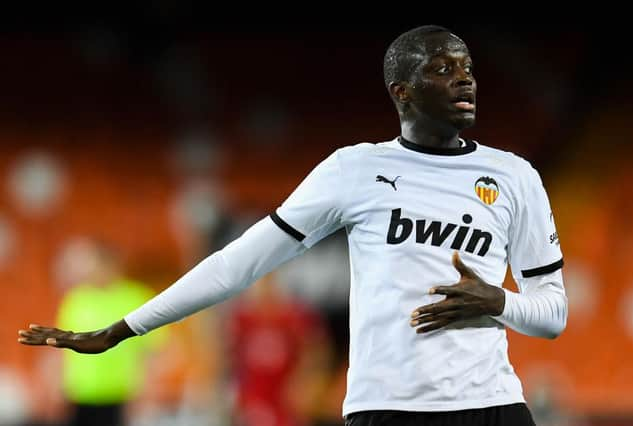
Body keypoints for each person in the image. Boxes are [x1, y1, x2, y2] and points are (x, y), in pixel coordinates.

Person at [18, 25, 568, 426]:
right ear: (401, 90)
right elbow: (239, 263)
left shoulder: (514, 177)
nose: (464, 79)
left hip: (492, 406)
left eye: (467, 67)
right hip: (387, 409)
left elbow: (552, 315)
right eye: (442, 68)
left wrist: (498, 302)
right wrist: (125, 328)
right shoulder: (354, 169)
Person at [53, 240, 165, 426]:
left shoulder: (135, 297)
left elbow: (156, 350)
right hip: (79, 394)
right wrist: (56, 385)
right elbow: (62, 348)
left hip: (120, 396)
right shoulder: (76, 299)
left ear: (110, 264)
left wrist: (147, 390)